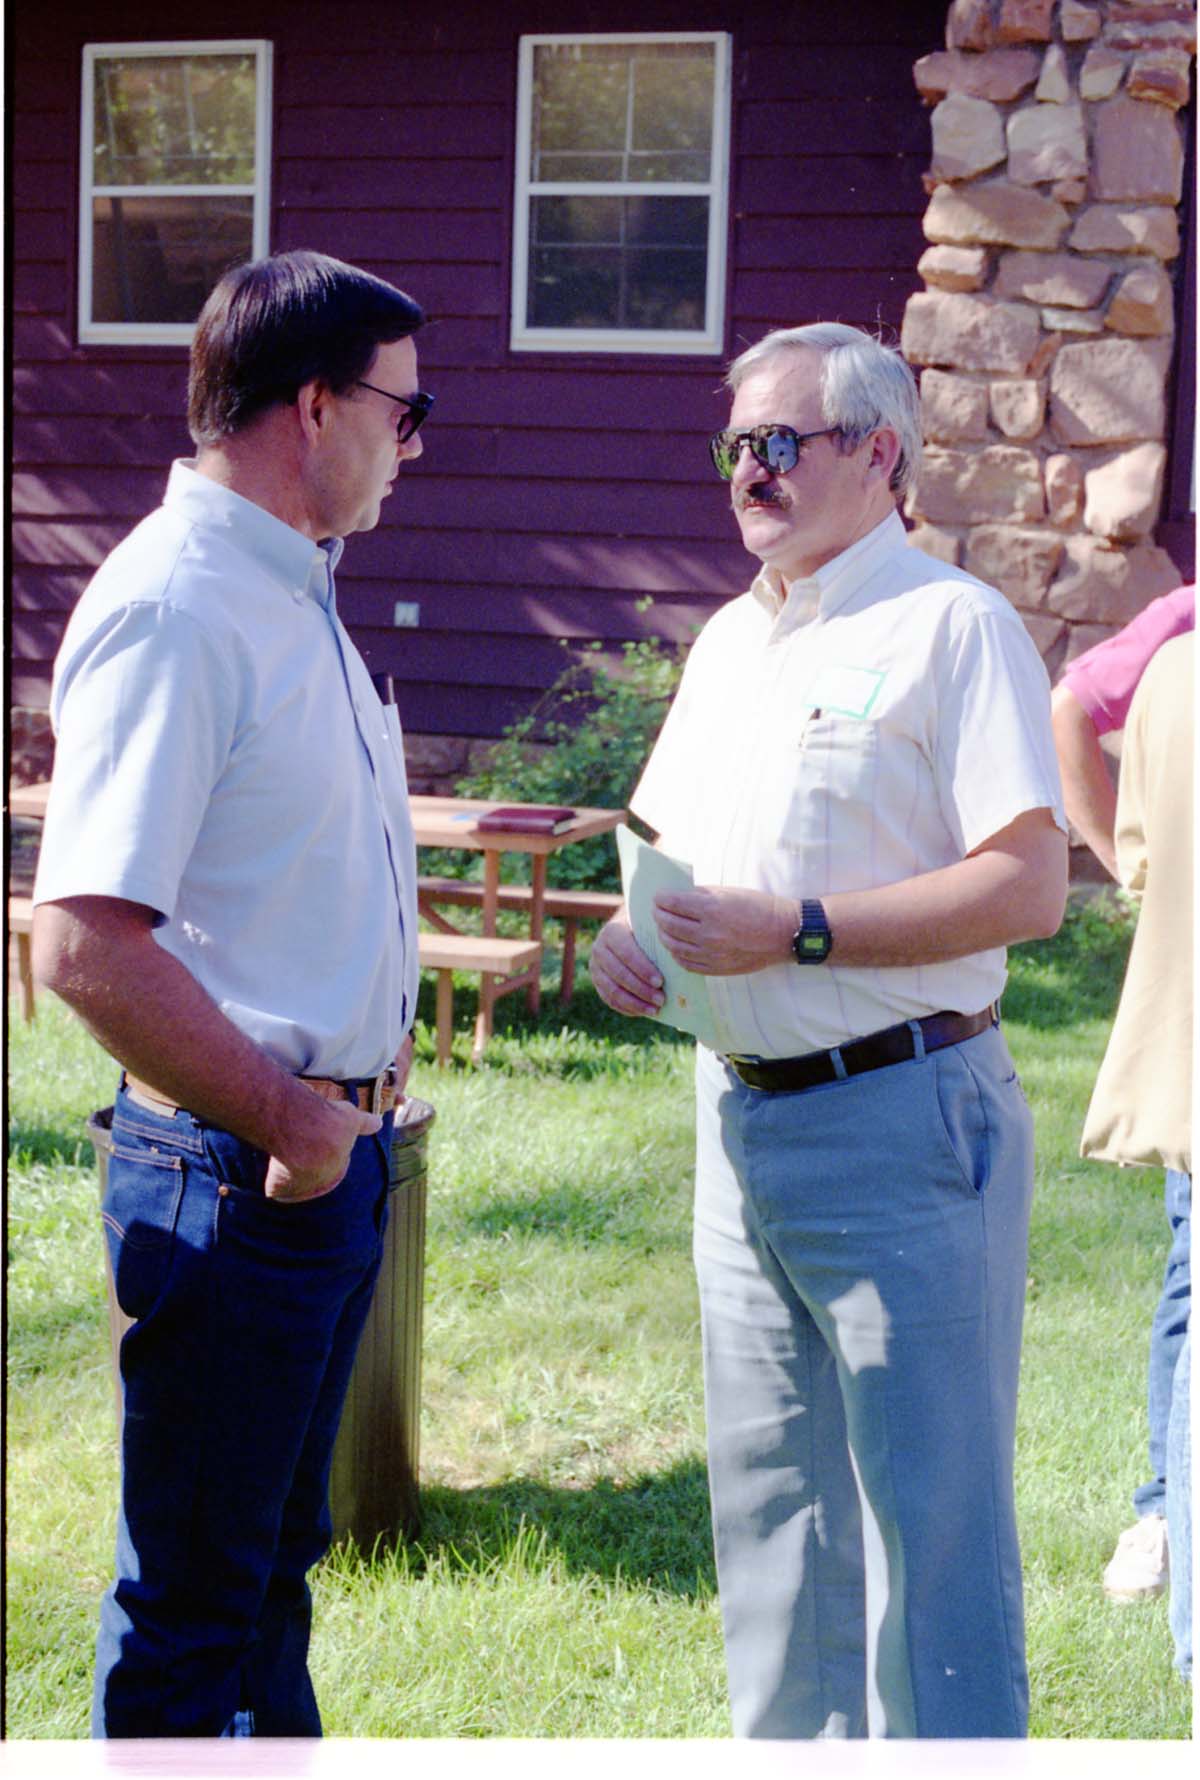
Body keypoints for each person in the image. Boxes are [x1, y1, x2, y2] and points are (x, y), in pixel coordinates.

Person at [591, 323, 1068, 1739]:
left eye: (782, 442)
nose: (751, 470)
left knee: (931, 1528)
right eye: (737, 445)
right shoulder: (736, 634)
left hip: (901, 1120)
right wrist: (634, 938)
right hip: (736, 1117)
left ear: (880, 454)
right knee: (776, 1515)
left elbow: (1029, 886)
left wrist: (800, 930)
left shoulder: (950, 624)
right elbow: (660, 837)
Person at [31, 249, 431, 1738]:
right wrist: (295, 1121)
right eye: (406, 408)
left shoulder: (293, 593)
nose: (415, 443)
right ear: (315, 408)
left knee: (265, 1580)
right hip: (236, 1171)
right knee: (196, 1609)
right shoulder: (182, 605)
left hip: (314, 1168)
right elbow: (80, 941)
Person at [1051, 590, 1193, 1605]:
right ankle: (1163, 1509)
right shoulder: (1185, 628)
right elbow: (1072, 704)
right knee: (1190, 1278)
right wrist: (1124, 862)